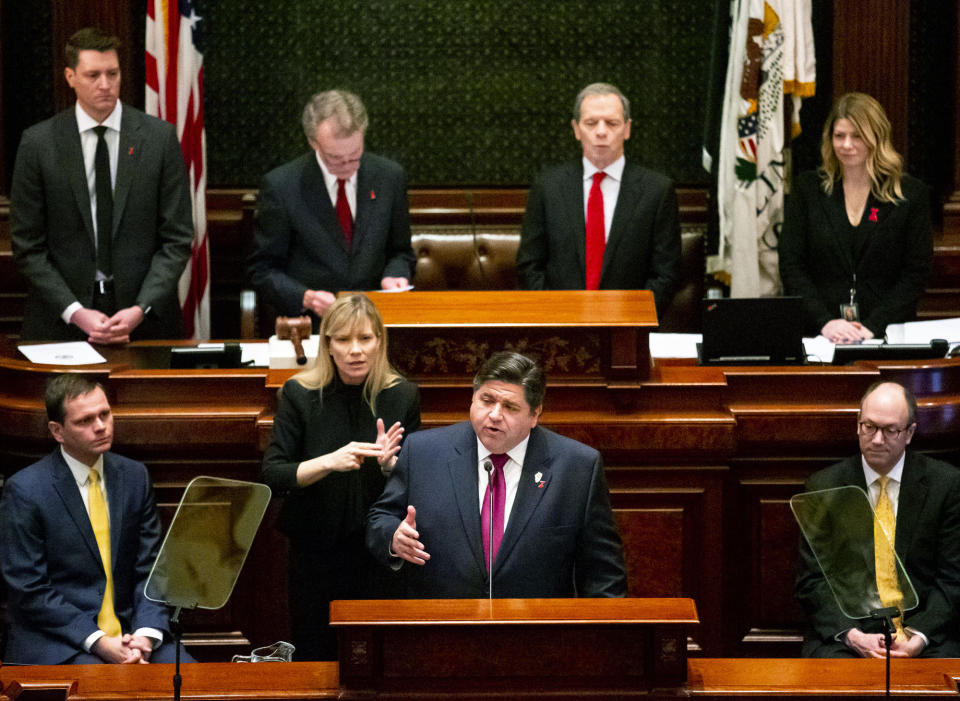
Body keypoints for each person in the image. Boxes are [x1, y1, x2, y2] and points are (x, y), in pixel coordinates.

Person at [366, 350, 627, 598]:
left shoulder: (577, 468)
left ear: (535, 414)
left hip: (537, 633)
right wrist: (393, 537)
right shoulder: (423, 452)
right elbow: (381, 516)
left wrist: (602, 638)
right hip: (442, 629)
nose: (494, 415)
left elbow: (603, 573)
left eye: (510, 407)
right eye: (486, 400)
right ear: (473, 398)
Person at [260, 294, 420, 660]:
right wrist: (328, 461)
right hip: (316, 551)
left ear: (379, 341)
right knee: (318, 651)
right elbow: (273, 475)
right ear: (327, 345)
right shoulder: (300, 394)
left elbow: (416, 478)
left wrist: (390, 467)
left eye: (365, 339)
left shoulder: (401, 395)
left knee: (380, 656)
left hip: (379, 554)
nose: (355, 351)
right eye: (343, 340)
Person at [10, 27, 193, 344]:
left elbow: (177, 239)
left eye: (113, 73)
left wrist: (140, 308)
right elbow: (27, 247)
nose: (105, 85)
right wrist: (76, 312)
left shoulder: (158, 139)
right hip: (61, 320)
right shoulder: (38, 143)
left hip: (144, 320)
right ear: (70, 77)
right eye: (93, 75)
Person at [0, 375, 194, 664]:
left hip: (130, 633)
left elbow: (152, 568)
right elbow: (29, 588)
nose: (101, 426)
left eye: (105, 414)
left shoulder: (134, 476)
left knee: (194, 684)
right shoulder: (26, 491)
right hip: (60, 640)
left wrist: (145, 635)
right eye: (84, 421)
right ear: (57, 431)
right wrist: (98, 641)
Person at [795, 381, 960, 658]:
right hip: (848, 636)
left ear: (909, 433)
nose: (877, 439)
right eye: (869, 426)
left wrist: (917, 636)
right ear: (858, 424)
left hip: (925, 633)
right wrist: (853, 636)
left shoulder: (947, 485)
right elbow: (812, 582)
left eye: (890, 430)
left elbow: (953, 578)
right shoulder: (823, 487)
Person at [248, 90, 416, 325]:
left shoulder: (389, 177)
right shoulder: (281, 186)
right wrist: (306, 297)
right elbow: (263, 270)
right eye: (335, 158)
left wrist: (395, 276)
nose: (347, 165)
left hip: (376, 323)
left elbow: (401, 252)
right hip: (314, 325)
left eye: (355, 154)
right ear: (313, 142)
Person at [779, 92, 934, 344]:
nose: (846, 145)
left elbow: (916, 273)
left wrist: (873, 326)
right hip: (820, 334)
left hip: (887, 332)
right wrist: (825, 323)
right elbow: (791, 265)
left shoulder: (910, 194)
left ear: (876, 137)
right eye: (839, 135)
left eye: (857, 136)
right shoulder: (808, 189)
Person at [516, 83, 681, 317]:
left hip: (628, 328)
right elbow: (529, 266)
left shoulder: (657, 191)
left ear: (627, 129)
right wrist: (555, 316)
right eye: (591, 123)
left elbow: (666, 273)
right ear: (576, 129)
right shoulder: (548, 187)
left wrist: (629, 319)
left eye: (612, 123)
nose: (601, 131)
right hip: (560, 327)